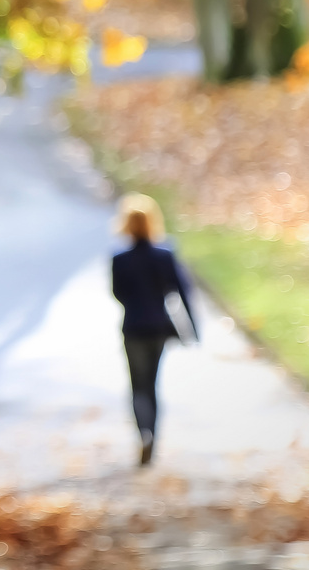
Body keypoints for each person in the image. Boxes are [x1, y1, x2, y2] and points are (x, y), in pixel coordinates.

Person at [110, 193, 198, 467]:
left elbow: (118, 293)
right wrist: (192, 327)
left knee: (137, 386)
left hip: (133, 328)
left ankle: (143, 434)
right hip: (158, 327)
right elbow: (182, 291)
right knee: (152, 383)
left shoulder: (120, 258)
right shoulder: (164, 254)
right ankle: (154, 437)